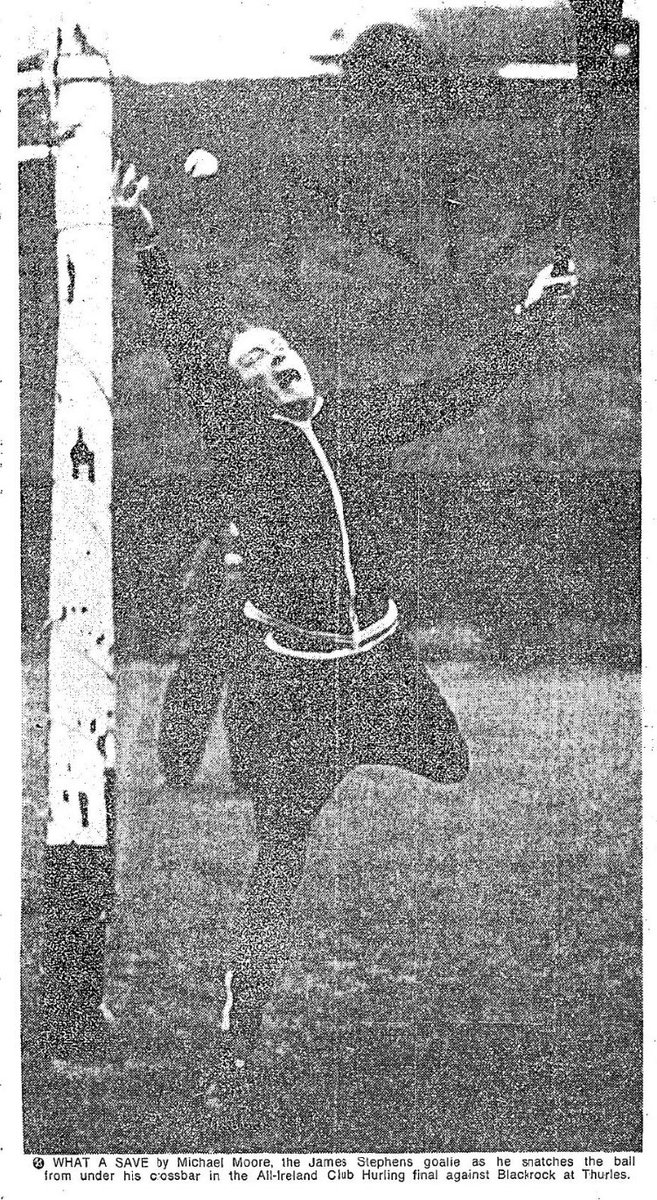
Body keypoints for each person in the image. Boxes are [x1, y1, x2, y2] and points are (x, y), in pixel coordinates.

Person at [113, 162, 576, 1091]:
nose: (271, 360)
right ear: (235, 390)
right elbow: (184, 342)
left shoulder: (357, 421)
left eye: (278, 348)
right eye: (250, 360)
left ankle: (362, 741)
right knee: (280, 847)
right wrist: (144, 240)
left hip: (385, 663)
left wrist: (535, 314)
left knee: (450, 761)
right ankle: (244, 1014)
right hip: (296, 679)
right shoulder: (240, 438)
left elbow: (460, 388)